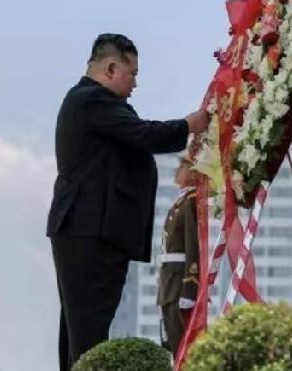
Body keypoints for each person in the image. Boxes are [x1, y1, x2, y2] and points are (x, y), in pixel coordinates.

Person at [46, 33, 210, 371]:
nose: (135, 82)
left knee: (81, 329)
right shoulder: (91, 101)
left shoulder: (94, 103)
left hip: (91, 230)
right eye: (131, 72)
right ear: (110, 68)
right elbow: (143, 135)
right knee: (87, 332)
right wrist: (189, 125)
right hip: (90, 230)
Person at [157, 156, 201, 355]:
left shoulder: (191, 202)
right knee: (175, 345)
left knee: (183, 348)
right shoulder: (180, 203)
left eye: (183, 166)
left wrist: (190, 288)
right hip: (169, 283)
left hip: (179, 284)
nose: (177, 170)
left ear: (194, 172)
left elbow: (193, 247)